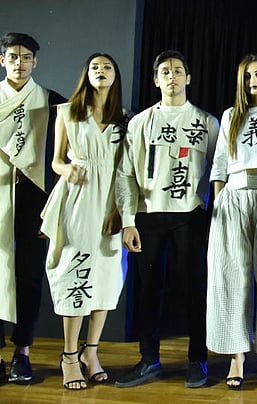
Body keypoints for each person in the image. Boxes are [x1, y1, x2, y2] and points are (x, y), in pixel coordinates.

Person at [115, 50, 218, 389]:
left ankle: (198, 359)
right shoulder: (141, 122)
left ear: (188, 78)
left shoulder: (206, 122)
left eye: (177, 71)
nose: (171, 76)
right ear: (156, 80)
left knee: (194, 288)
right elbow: (126, 173)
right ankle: (149, 359)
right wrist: (128, 220)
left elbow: (219, 172)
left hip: (191, 214)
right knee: (148, 289)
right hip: (149, 214)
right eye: (165, 72)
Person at [39, 53, 127, 390]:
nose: (101, 71)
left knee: (105, 276)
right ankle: (69, 355)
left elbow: (125, 170)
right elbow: (56, 161)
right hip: (78, 198)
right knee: (75, 272)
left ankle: (91, 352)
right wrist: (68, 170)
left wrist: (119, 210)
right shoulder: (68, 112)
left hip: (110, 203)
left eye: (107, 67)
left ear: (115, 75)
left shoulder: (124, 119)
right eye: (95, 67)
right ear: (86, 74)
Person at [206, 54, 257, 391]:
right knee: (232, 277)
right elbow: (220, 162)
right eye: (248, 76)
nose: (253, 80)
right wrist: (219, 200)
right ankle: (236, 355)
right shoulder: (230, 116)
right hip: (234, 197)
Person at [0, 32, 65, 385]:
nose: (20, 63)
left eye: (26, 57)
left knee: (28, 272)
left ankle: (22, 351)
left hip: (33, 193)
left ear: (35, 62)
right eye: (13, 57)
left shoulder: (51, 101)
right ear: (2, 60)